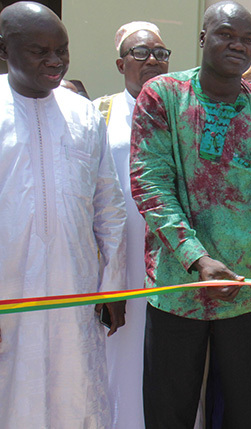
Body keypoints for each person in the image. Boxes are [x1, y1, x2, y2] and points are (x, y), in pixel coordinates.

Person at [129, 2, 251, 428]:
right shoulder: (162, 96)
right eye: (226, 34)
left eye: (247, 39)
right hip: (177, 286)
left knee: (247, 411)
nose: (237, 45)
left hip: (249, 291)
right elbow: (151, 187)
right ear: (203, 39)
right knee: (170, 410)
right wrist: (197, 259)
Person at [0, 2, 127, 427]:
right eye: (40, 51)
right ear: (4, 50)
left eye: (62, 49)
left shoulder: (83, 115)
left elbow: (108, 206)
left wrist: (112, 286)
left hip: (74, 290)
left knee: (74, 397)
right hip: (8, 294)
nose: (55, 61)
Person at [93, 21, 170, 429]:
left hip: (169, 258)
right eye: (141, 53)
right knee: (116, 355)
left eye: (160, 53)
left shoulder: (178, 109)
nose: (153, 60)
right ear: (120, 63)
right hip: (117, 258)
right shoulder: (97, 113)